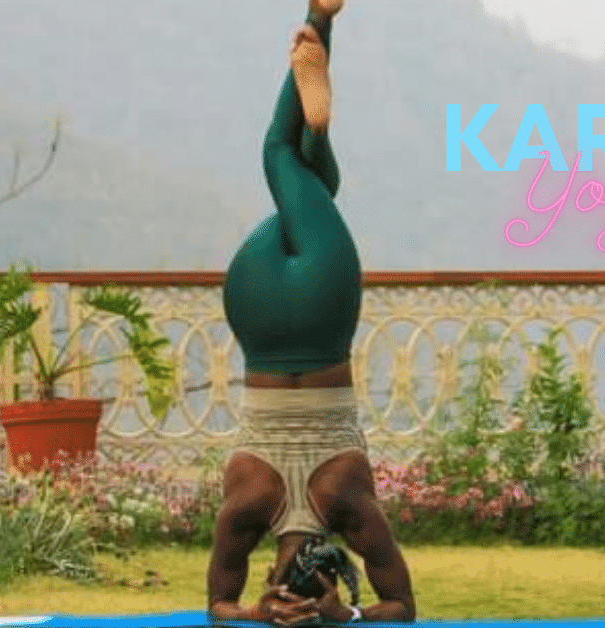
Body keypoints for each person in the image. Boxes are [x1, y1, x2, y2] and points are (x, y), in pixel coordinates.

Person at [208, 1, 416, 624]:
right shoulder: (249, 502)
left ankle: (319, 30)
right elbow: (219, 603)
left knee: (290, 164)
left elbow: (400, 606)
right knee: (292, 169)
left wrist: (345, 616)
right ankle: (314, 117)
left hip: (322, 310)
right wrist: (256, 613)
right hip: (257, 309)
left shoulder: (350, 504)